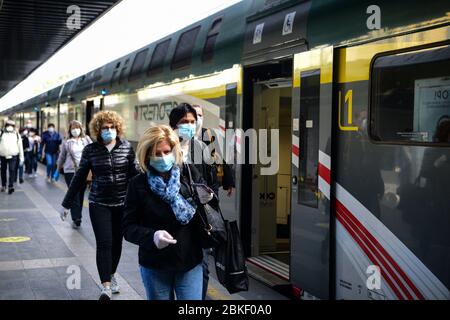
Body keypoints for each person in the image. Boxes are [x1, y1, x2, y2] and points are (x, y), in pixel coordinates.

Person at [122, 125, 213, 300]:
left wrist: (208, 199)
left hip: (190, 261)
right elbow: (127, 227)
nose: (163, 157)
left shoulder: (188, 174)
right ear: (147, 155)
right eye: (157, 153)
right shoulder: (137, 184)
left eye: (167, 151)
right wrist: (152, 236)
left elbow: (206, 210)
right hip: (155, 264)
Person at [61, 111, 139, 300]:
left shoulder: (127, 148)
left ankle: (111, 275)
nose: (109, 130)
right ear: (98, 129)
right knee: (104, 243)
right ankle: (105, 286)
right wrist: (67, 203)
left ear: (118, 128)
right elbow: (79, 178)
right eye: (105, 127)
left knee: (117, 243)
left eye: (112, 127)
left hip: (122, 203)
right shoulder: (91, 150)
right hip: (98, 203)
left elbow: (134, 176)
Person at [169, 103, 221, 300]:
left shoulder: (202, 149)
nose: (190, 125)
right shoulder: (164, 148)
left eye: (193, 121)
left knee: (203, 269)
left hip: (198, 222)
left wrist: (210, 199)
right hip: (171, 223)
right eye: (184, 122)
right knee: (171, 272)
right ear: (173, 125)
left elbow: (213, 181)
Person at [192, 104, 235, 197]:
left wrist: (228, 181)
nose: (197, 118)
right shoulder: (183, 136)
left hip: (210, 184)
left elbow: (218, 157)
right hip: (192, 185)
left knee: (212, 210)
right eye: (195, 115)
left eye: (200, 115)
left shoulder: (209, 134)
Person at [57, 120, 92, 229]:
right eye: (73, 128)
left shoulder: (86, 140)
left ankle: (78, 215)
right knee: (74, 194)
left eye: (77, 127)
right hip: (70, 171)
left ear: (81, 129)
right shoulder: (67, 142)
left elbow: (93, 152)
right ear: (70, 130)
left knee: (81, 194)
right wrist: (58, 168)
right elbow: (62, 156)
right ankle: (76, 218)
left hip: (84, 171)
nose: (75, 130)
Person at [0, 120, 24, 194]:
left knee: (12, 170)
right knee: (3, 170)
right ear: (6, 125)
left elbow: (20, 146)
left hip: (13, 156)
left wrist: (21, 157)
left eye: (11, 125)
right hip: (3, 155)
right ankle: (3, 185)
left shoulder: (17, 134)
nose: (10, 127)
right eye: (8, 125)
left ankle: (11, 186)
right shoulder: (1, 133)